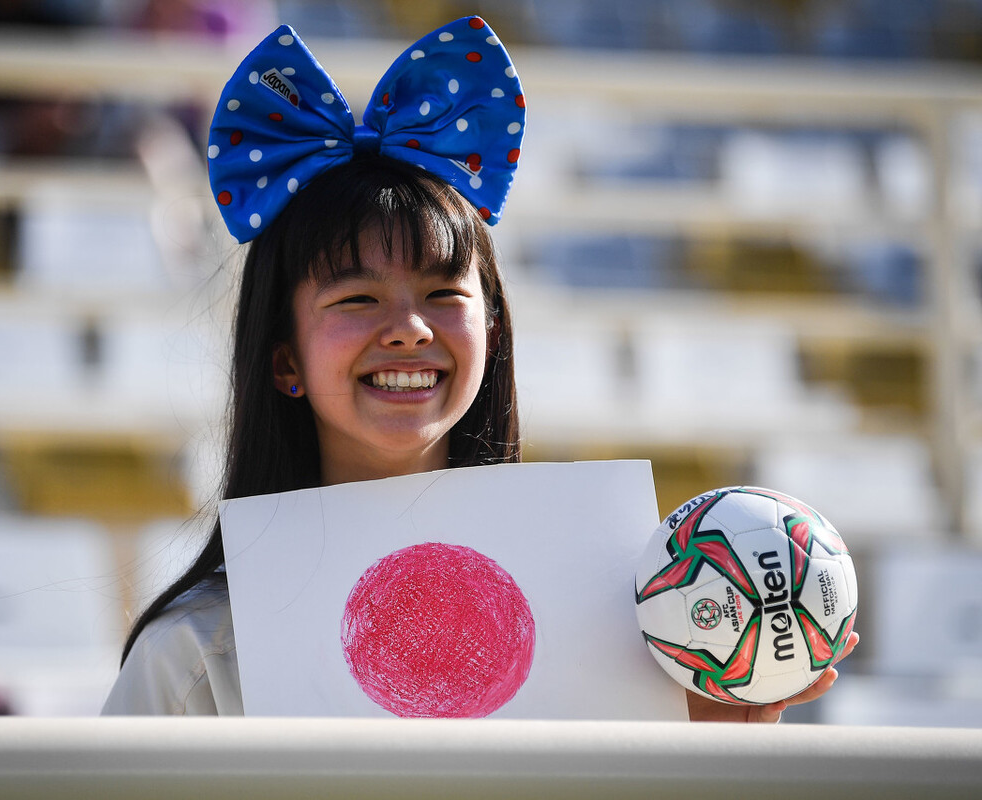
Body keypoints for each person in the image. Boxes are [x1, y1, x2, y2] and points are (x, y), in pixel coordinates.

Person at [103, 16, 856, 721]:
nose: (407, 330)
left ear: (493, 332)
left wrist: (713, 750)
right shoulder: (194, 658)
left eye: (442, 292)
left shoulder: (629, 630)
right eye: (358, 297)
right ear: (283, 358)